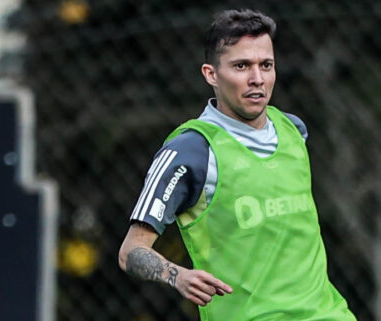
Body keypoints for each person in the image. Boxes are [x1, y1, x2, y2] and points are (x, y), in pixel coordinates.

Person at [119, 9, 357, 320]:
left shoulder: (294, 131)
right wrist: (178, 275)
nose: (257, 78)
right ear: (211, 74)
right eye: (242, 66)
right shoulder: (190, 151)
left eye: (266, 65)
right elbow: (130, 251)